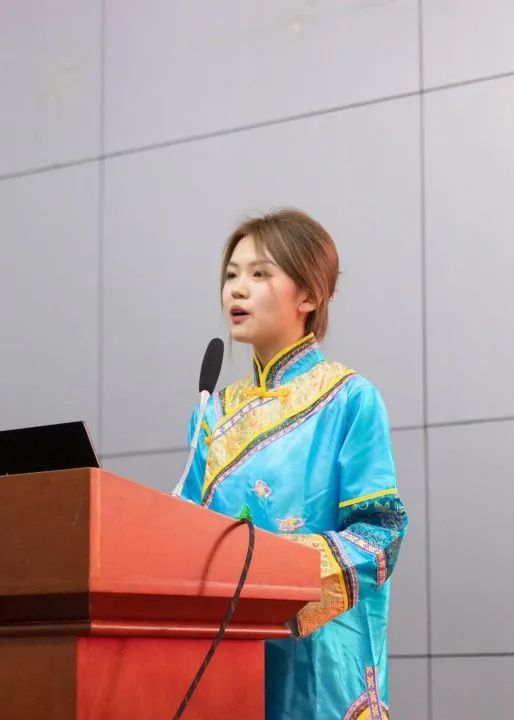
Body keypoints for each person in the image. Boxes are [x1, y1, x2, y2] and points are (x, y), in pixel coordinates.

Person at [181, 208, 408, 720]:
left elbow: (380, 534)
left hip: (318, 659)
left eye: (259, 274)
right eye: (231, 275)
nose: (237, 289)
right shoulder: (211, 413)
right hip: (225, 653)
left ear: (308, 296)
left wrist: (274, 572)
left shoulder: (349, 398)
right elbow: (187, 529)